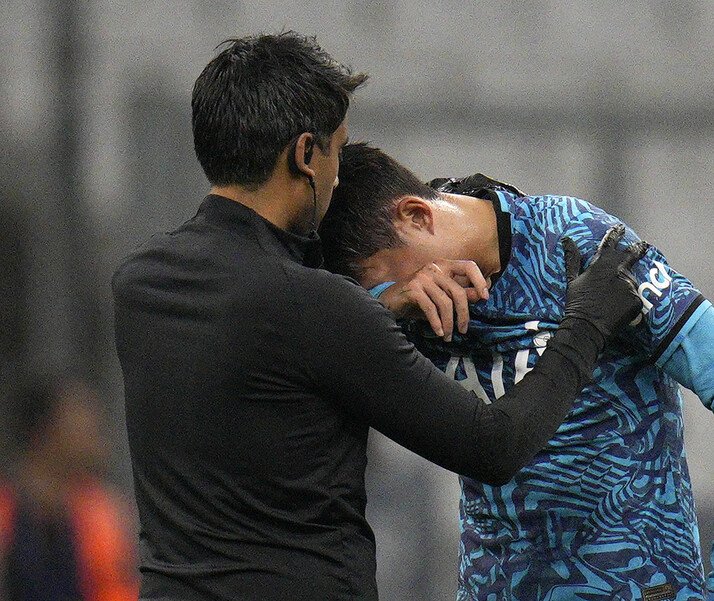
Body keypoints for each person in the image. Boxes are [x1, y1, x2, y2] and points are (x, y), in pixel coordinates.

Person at [111, 32, 649, 601]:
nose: (339, 177)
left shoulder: (140, 286)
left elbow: (259, 365)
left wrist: (382, 308)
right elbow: (494, 446)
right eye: (338, 152)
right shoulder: (316, 308)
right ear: (304, 155)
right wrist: (588, 318)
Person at [317, 142, 714, 601]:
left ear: (417, 216)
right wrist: (382, 303)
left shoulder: (575, 241)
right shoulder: (391, 312)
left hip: (638, 584)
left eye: (380, 281)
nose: (406, 298)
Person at [0, 375, 139, 601]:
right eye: (80, 416)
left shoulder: (101, 511)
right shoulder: (6, 512)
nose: (93, 428)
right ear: (45, 430)